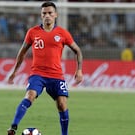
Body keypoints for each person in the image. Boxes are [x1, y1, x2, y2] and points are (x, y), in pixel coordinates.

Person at [7, 1, 83, 135]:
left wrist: (79, 70)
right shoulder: (33, 32)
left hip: (56, 75)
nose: (47, 15)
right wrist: (14, 71)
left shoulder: (62, 33)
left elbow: (77, 50)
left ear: (56, 15)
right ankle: (13, 127)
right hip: (38, 74)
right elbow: (22, 52)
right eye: (44, 13)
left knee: (62, 104)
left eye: (50, 13)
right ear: (41, 15)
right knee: (30, 95)